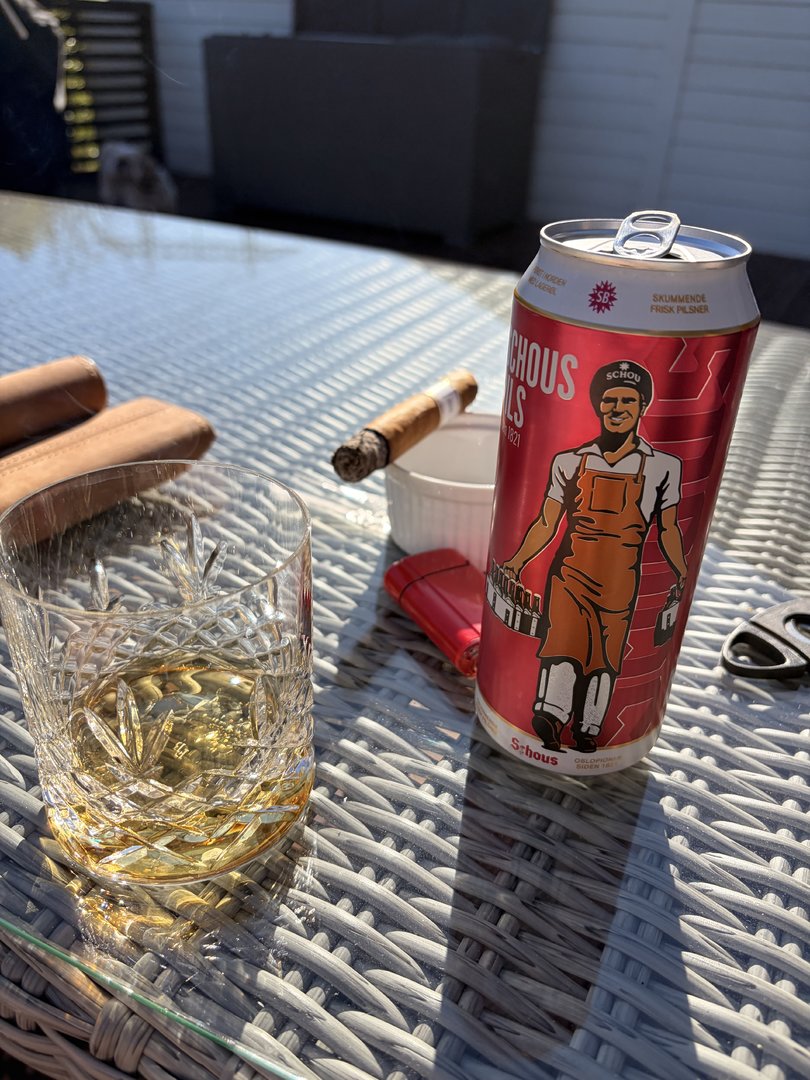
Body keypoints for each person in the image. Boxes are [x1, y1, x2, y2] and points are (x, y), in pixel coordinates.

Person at [502, 361, 688, 753]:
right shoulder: (569, 461)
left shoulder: (663, 467)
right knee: (561, 643)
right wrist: (517, 562)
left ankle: (589, 728)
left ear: (642, 407)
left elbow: (668, 528)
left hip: (621, 578)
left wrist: (681, 572)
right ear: (598, 407)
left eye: (628, 401)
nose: (617, 408)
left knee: (605, 656)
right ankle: (550, 716)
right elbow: (547, 521)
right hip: (570, 572)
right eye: (609, 400)